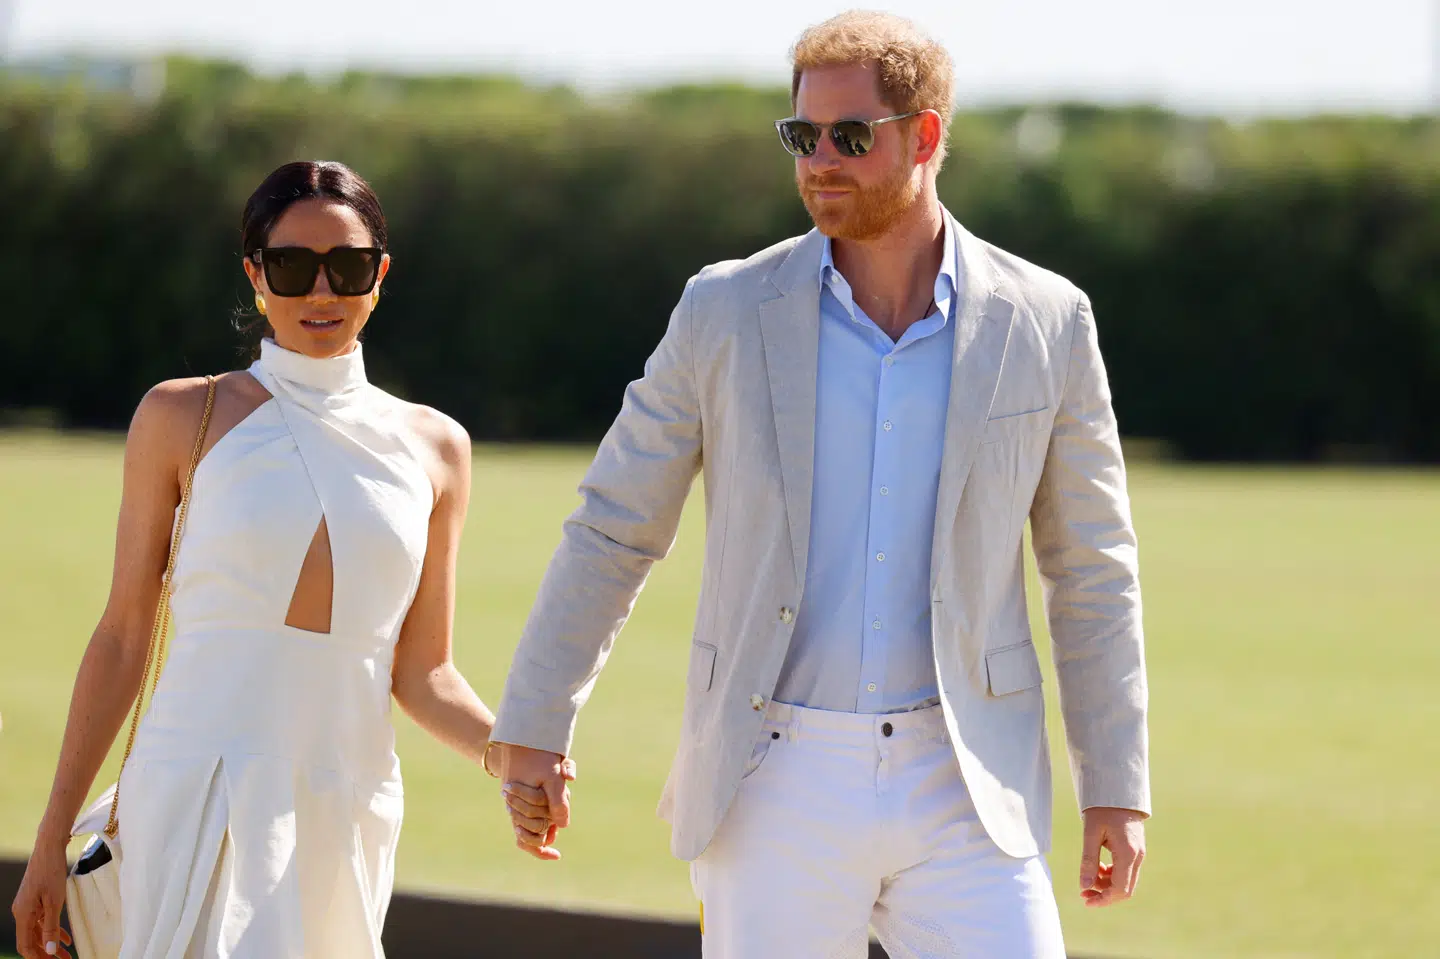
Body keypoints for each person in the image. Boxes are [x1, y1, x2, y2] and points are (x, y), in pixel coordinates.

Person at [489, 11, 1150, 958]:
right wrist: (537, 720)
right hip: (770, 773)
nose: (821, 160)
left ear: (924, 137)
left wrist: (1116, 784)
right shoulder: (722, 309)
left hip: (966, 781)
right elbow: (614, 526)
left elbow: (1093, 572)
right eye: (804, 136)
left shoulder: (1046, 321)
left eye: (850, 137)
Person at [10, 160, 544, 959]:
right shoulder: (180, 414)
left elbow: (423, 670)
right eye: (292, 266)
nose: (321, 291)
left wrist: (512, 755)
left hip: (345, 797)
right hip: (193, 789)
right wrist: (50, 837)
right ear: (257, 275)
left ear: (380, 276)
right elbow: (124, 634)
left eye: (348, 266)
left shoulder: (437, 447)